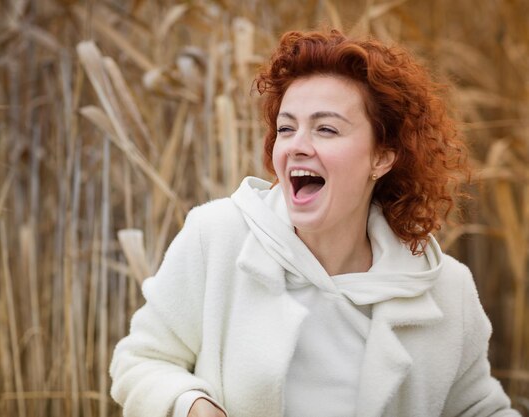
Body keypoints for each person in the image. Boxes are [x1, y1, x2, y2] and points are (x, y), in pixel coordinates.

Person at [110, 29, 520, 417]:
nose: (297, 146)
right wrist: (191, 405)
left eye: (325, 129)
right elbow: (141, 361)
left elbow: (477, 409)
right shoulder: (216, 238)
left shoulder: (446, 290)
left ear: (382, 157)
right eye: (286, 128)